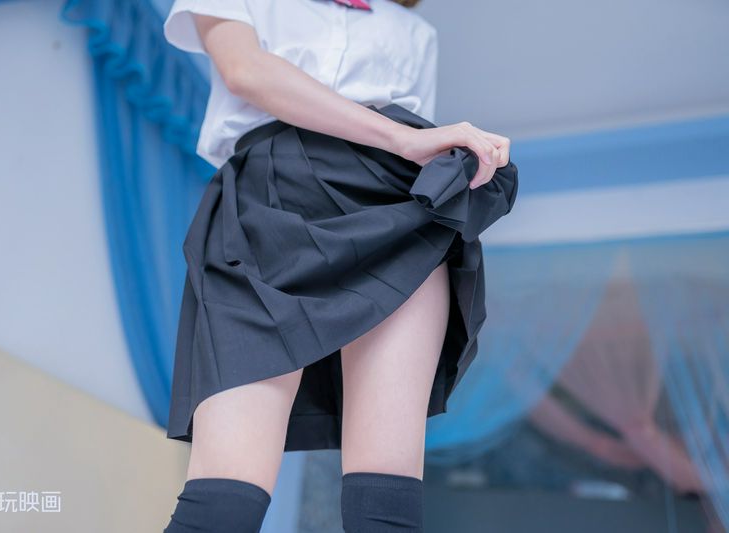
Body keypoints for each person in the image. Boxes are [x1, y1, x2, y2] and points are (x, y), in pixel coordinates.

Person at [160, 0, 518, 531]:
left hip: (394, 212)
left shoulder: (415, 31)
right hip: (265, 210)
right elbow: (245, 70)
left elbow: (419, 146)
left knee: (386, 508)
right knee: (222, 504)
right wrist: (402, 137)